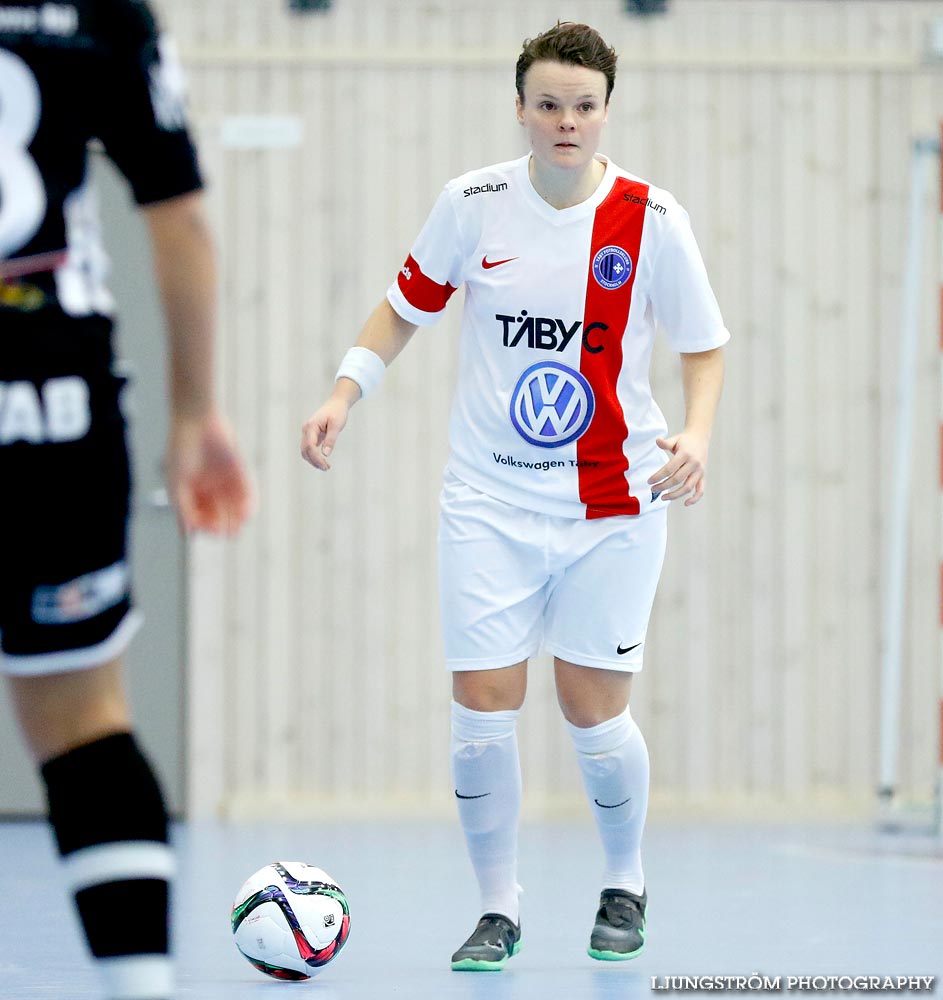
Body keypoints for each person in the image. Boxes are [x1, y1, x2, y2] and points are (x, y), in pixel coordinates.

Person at [301, 20, 727, 971]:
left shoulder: (652, 220)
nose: (565, 122)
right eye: (548, 105)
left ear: (605, 110)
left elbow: (704, 345)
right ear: (522, 109)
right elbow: (403, 305)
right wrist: (342, 393)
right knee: (480, 709)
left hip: (614, 506)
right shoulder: (473, 203)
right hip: (488, 504)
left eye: (582, 106)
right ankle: (498, 909)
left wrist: (694, 434)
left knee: (591, 710)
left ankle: (625, 883)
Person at [0, 2, 252, 998]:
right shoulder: (99, 11)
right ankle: (140, 986)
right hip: (50, 391)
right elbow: (179, 214)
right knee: (82, 717)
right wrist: (195, 411)